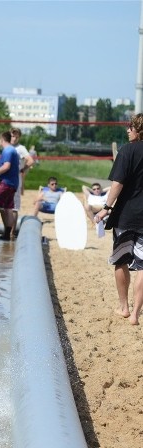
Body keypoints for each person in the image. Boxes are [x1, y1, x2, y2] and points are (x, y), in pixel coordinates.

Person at [94, 114, 143, 324]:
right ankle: (136, 314)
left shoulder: (126, 151)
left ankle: (124, 307)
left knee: (121, 261)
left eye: (130, 126)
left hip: (125, 216)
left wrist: (106, 208)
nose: (127, 130)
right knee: (142, 265)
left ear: (139, 129)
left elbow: (117, 184)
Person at [10, 128, 35, 236]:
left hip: (15, 178)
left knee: (14, 206)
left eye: (16, 137)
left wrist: (22, 169)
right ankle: (8, 230)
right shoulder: (6, 146)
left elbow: (30, 160)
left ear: (19, 138)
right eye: (12, 136)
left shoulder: (21, 148)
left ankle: (11, 232)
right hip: (6, 178)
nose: (14, 138)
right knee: (4, 207)